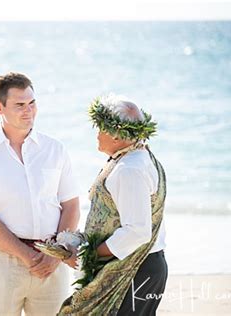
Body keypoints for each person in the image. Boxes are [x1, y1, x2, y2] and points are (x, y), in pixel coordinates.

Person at [0, 72, 80, 315]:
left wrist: (56, 254)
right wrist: (26, 255)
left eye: (32, 103)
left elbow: (71, 205)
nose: (28, 111)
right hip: (4, 263)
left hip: (53, 264)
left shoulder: (55, 149)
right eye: (19, 105)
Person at [59, 94, 167, 316]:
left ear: (117, 135)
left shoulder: (130, 169)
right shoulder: (137, 156)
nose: (97, 134)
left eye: (101, 128)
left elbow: (137, 231)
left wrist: (88, 255)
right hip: (142, 267)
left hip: (135, 270)